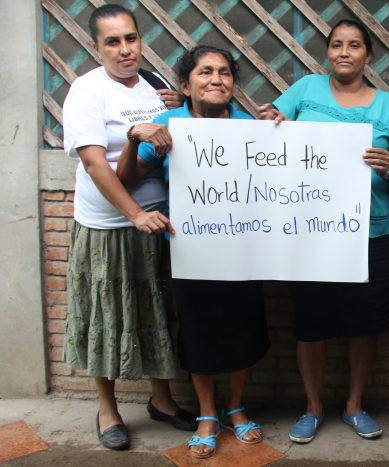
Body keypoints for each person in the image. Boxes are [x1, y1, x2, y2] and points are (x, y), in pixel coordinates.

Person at [117, 45, 269, 460]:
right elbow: (127, 178)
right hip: (189, 248)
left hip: (244, 246)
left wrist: (282, 135)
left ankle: (236, 408)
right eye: (205, 73)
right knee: (199, 329)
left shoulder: (248, 127)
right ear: (186, 85)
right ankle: (206, 415)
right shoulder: (170, 124)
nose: (216, 79)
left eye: (224, 72)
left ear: (234, 83)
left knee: (244, 326)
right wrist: (136, 137)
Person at [258, 19, 389, 443]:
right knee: (312, 323)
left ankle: (355, 405)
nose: (344, 51)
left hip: (370, 230)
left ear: (368, 55)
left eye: (354, 45)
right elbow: (268, 133)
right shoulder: (305, 89)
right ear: (327, 52)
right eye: (337, 44)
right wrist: (269, 121)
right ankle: (313, 407)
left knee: (364, 324)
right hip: (311, 230)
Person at [62, 4, 195, 452]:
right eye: (113, 42)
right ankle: (108, 409)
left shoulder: (154, 85)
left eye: (131, 39)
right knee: (107, 315)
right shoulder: (86, 92)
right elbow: (96, 165)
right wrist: (133, 214)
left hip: (157, 226)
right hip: (109, 229)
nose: (125, 49)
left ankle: (162, 400)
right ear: (96, 47)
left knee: (155, 315)